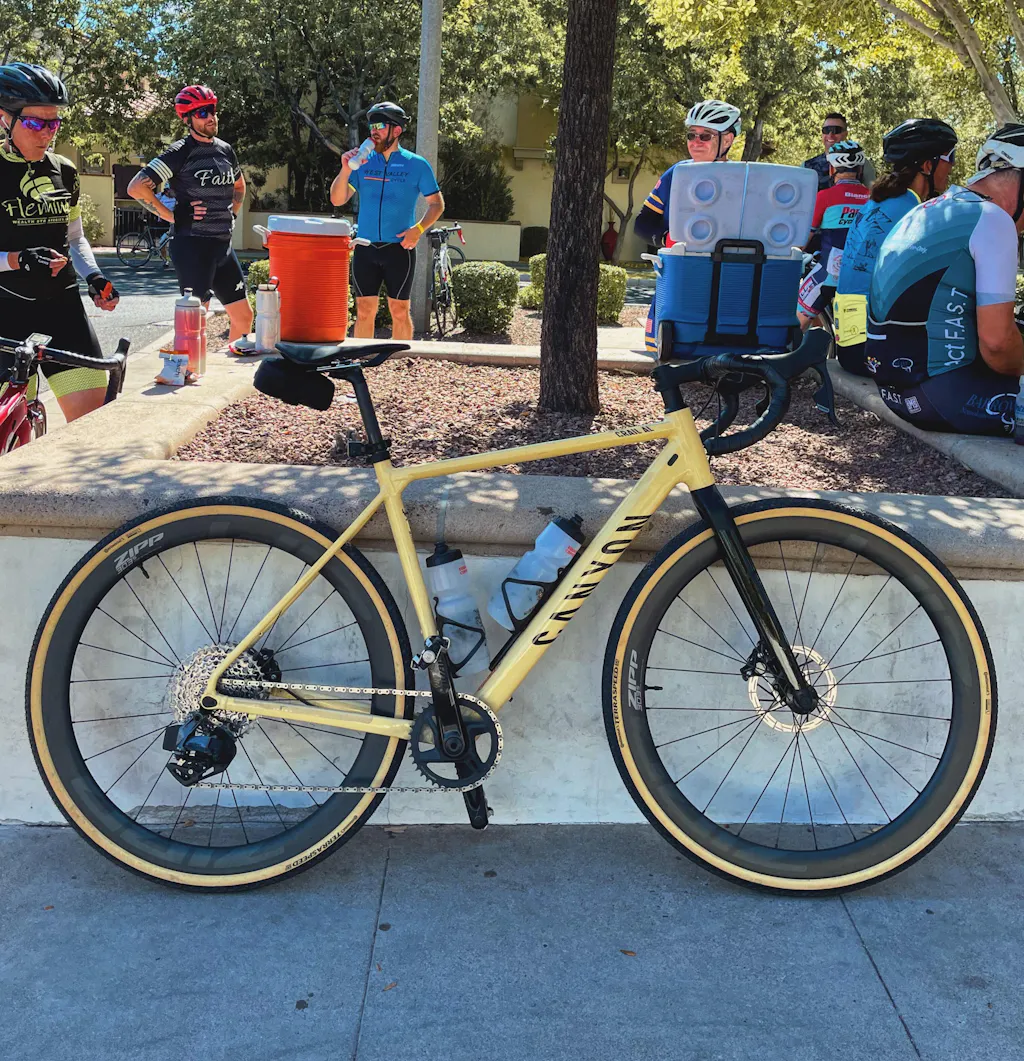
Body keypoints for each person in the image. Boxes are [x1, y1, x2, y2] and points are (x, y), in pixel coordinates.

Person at [866, 125, 1024, 437]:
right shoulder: (993, 219)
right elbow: (997, 345)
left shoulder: (925, 210)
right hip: (947, 397)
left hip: (895, 393)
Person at [0, 62, 119, 422]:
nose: (47, 134)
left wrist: (95, 277)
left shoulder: (64, 170)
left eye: (54, 123)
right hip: (5, 308)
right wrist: (17, 259)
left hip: (62, 306)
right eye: (36, 123)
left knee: (93, 424)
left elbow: (75, 237)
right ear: (4, 118)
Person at [128, 85, 254, 351]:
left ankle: (229, 366)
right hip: (193, 246)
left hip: (222, 245)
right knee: (195, 324)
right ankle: (187, 369)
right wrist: (172, 216)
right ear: (187, 119)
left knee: (244, 317)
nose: (211, 117)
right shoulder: (179, 152)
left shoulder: (225, 150)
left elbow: (239, 185)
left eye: (212, 110)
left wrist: (232, 214)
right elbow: (137, 187)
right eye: (202, 113)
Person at [833, 119, 958, 376]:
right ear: (928, 165)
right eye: (950, 156)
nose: (953, 165)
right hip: (874, 349)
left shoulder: (876, 203)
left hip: (848, 345)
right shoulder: (915, 212)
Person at [329, 102, 445, 341]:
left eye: (380, 126)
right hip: (365, 246)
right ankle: (362, 357)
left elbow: (437, 204)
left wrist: (418, 229)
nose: (374, 131)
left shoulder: (416, 164)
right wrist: (345, 169)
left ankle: (401, 359)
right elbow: (337, 199)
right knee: (364, 311)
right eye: (372, 126)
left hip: (399, 248)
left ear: (397, 130)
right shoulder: (363, 162)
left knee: (399, 311)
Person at [634, 99, 741, 354]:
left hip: (727, 279)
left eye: (705, 136)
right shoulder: (676, 173)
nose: (695, 141)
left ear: (727, 140)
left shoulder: (744, 177)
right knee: (664, 355)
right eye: (691, 134)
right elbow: (642, 223)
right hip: (679, 276)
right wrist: (666, 239)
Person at [796, 140, 870, 330]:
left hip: (829, 274)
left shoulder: (825, 196)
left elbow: (803, 241)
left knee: (795, 324)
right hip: (861, 276)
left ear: (832, 169)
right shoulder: (872, 198)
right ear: (860, 169)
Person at [804, 112, 877, 191]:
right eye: (826, 130)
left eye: (836, 130)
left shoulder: (861, 163)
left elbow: (874, 193)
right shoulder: (807, 166)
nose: (830, 135)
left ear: (845, 134)